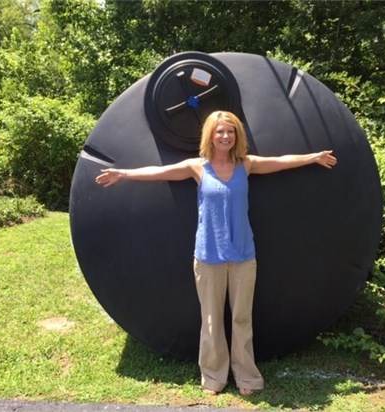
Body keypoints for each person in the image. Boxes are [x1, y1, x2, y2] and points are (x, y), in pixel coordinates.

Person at [95, 111, 337, 396]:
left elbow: (282, 162)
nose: (225, 136)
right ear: (210, 135)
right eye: (220, 132)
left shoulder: (246, 165)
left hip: (243, 255)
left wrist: (313, 157)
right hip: (208, 255)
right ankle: (213, 376)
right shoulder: (197, 167)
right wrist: (122, 174)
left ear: (237, 136)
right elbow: (158, 172)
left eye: (230, 132)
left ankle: (246, 375)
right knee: (211, 319)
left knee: (241, 318)